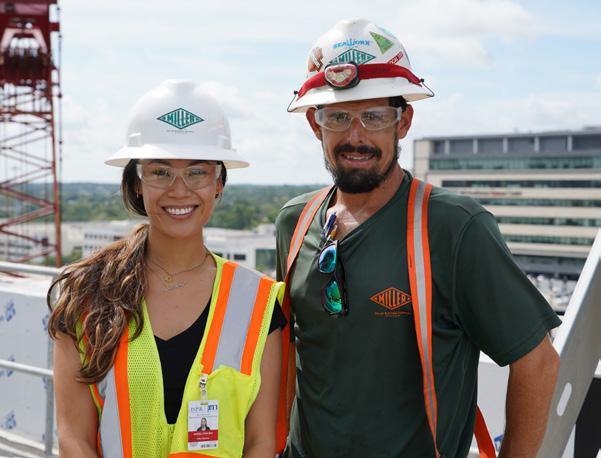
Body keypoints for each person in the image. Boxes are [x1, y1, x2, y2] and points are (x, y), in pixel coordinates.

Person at [275, 19, 561, 458]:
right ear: (316, 124)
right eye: (338, 116)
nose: (356, 136)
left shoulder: (454, 227)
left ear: (403, 121)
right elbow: (287, 354)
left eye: (374, 116)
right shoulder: (294, 224)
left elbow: (537, 362)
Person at [48, 80, 286, 458]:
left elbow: (260, 443)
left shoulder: (257, 303)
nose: (179, 190)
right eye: (160, 172)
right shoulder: (88, 293)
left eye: (197, 172)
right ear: (137, 184)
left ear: (219, 183)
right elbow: (73, 438)